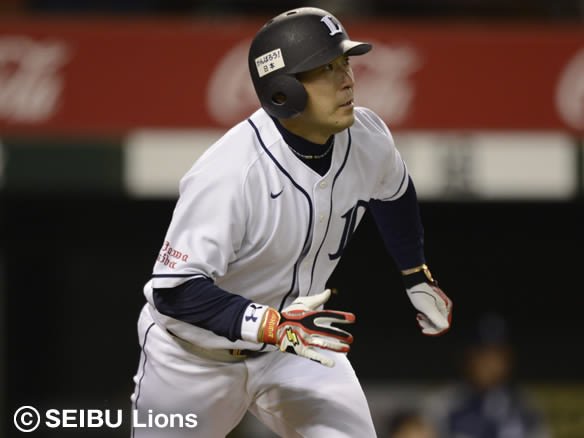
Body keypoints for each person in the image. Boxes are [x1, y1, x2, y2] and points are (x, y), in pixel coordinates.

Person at [130, 7, 453, 438]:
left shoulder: (367, 136)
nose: (347, 79)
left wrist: (415, 273)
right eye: (325, 69)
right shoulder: (231, 172)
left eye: (345, 63)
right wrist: (270, 326)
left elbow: (395, 193)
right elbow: (173, 290)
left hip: (296, 345)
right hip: (193, 359)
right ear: (282, 91)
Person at [425, 313, 550, 438]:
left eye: (496, 354)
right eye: (481, 354)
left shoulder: (526, 406)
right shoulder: (444, 404)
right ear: (468, 357)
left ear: (509, 358)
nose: (488, 363)